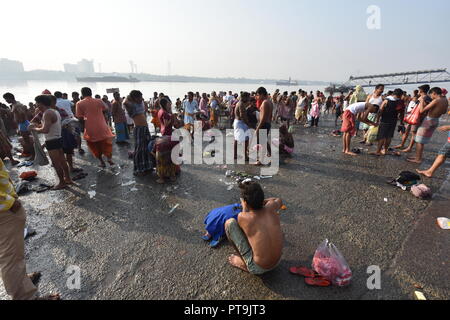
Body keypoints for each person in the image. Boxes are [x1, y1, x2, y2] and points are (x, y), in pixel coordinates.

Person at [0, 159, 60, 300]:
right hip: (3, 209)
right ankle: (24, 296)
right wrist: (7, 201)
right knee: (10, 257)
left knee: (13, 254)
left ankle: (21, 282)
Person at [224, 181, 283, 275]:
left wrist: (244, 206)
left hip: (258, 268)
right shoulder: (271, 207)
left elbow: (243, 229)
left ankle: (245, 263)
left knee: (229, 223)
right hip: (277, 261)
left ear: (246, 202)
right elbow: (278, 200)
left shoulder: (243, 216)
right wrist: (260, 201)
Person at [29, 95, 73, 190]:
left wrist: (35, 128)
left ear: (41, 103)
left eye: (37, 103)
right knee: (62, 160)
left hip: (52, 140)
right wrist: (40, 125)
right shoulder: (54, 111)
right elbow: (50, 126)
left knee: (56, 163)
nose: (36, 105)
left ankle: (62, 182)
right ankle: (68, 179)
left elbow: (45, 130)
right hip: (58, 138)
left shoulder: (47, 113)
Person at [407, 87, 449, 164]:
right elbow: (443, 112)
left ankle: (418, 159)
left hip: (429, 120)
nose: (431, 97)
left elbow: (422, 110)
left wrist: (422, 100)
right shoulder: (445, 100)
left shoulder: (436, 100)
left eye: (431, 95)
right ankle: (417, 157)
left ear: (434, 93)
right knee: (422, 140)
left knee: (419, 141)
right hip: (436, 120)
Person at [76, 87, 115, 168]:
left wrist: (87, 119)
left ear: (82, 94)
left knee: (94, 146)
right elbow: (106, 109)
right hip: (102, 126)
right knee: (106, 143)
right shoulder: (99, 101)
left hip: (90, 128)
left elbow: (80, 118)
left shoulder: (79, 103)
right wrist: (99, 114)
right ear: (91, 93)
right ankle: (109, 159)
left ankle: (102, 162)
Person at [124, 90, 153, 176]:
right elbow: (125, 102)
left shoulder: (140, 103)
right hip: (139, 129)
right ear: (134, 98)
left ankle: (147, 166)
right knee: (139, 149)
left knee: (147, 147)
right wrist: (130, 97)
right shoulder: (130, 106)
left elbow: (143, 105)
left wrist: (139, 99)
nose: (141, 98)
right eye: (139, 97)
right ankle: (138, 169)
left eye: (141, 96)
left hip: (145, 128)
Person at [370, 89, 404, 156]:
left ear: (393, 93)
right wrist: (401, 122)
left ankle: (378, 151)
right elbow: (401, 113)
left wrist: (377, 120)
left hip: (384, 120)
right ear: (400, 95)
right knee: (389, 136)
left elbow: (380, 110)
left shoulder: (387, 100)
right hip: (394, 121)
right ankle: (385, 150)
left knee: (382, 136)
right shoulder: (400, 102)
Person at [2, 93, 34, 158]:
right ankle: (32, 154)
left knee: (27, 141)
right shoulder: (15, 104)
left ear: (10, 98)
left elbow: (22, 113)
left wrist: (21, 122)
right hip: (22, 123)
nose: (6, 101)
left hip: (23, 123)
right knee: (27, 140)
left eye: (6, 99)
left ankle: (33, 155)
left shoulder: (16, 105)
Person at [402, 85, 431, 153]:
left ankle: (410, 148)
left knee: (414, 133)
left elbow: (426, 108)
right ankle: (406, 146)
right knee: (410, 131)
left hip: (418, 117)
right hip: (415, 116)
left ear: (421, 90)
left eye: (419, 89)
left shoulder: (426, 97)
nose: (418, 91)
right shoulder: (422, 97)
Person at [255, 87, 273, 165]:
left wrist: (258, 128)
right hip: (267, 124)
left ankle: (261, 160)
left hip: (264, 124)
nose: (257, 97)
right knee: (264, 141)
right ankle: (271, 154)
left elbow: (264, 118)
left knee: (262, 142)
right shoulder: (269, 102)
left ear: (262, 94)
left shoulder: (265, 102)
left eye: (258, 95)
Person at [233, 92, 251, 161]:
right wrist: (248, 124)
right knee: (246, 139)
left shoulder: (239, 103)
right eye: (248, 97)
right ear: (244, 97)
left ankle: (235, 155)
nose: (248, 99)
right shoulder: (241, 104)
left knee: (236, 139)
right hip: (241, 123)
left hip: (238, 122)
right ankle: (245, 156)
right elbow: (242, 116)